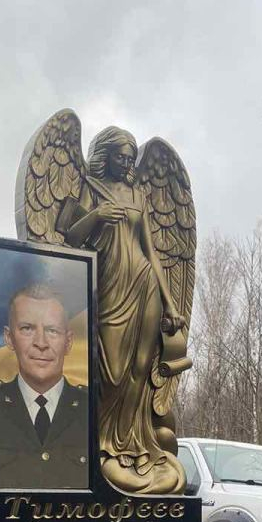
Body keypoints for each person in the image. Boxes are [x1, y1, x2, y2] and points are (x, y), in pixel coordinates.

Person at [62, 127, 186, 495]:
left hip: (144, 283)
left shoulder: (137, 194)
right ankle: (104, 445)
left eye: (130, 157)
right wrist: (97, 215)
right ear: (105, 156)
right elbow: (70, 237)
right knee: (112, 371)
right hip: (108, 287)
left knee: (140, 368)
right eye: (120, 156)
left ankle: (134, 446)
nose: (127, 163)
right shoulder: (89, 188)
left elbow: (151, 251)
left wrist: (170, 302)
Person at [0, 282, 89, 489]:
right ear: (9, 338)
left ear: (68, 342)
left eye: (52, 330)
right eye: (27, 329)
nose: (41, 343)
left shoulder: (95, 409)